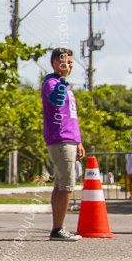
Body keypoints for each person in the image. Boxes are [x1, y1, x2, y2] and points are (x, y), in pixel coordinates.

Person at [40, 47, 84, 241]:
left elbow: (71, 116)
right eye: (67, 63)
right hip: (60, 139)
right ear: (57, 63)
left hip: (69, 139)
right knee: (67, 185)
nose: (70, 67)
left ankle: (57, 227)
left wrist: (78, 141)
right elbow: (56, 101)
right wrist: (63, 78)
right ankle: (58, 229)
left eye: (71, 63)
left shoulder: (64, 84)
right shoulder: (52, 83)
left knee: (60, 186)